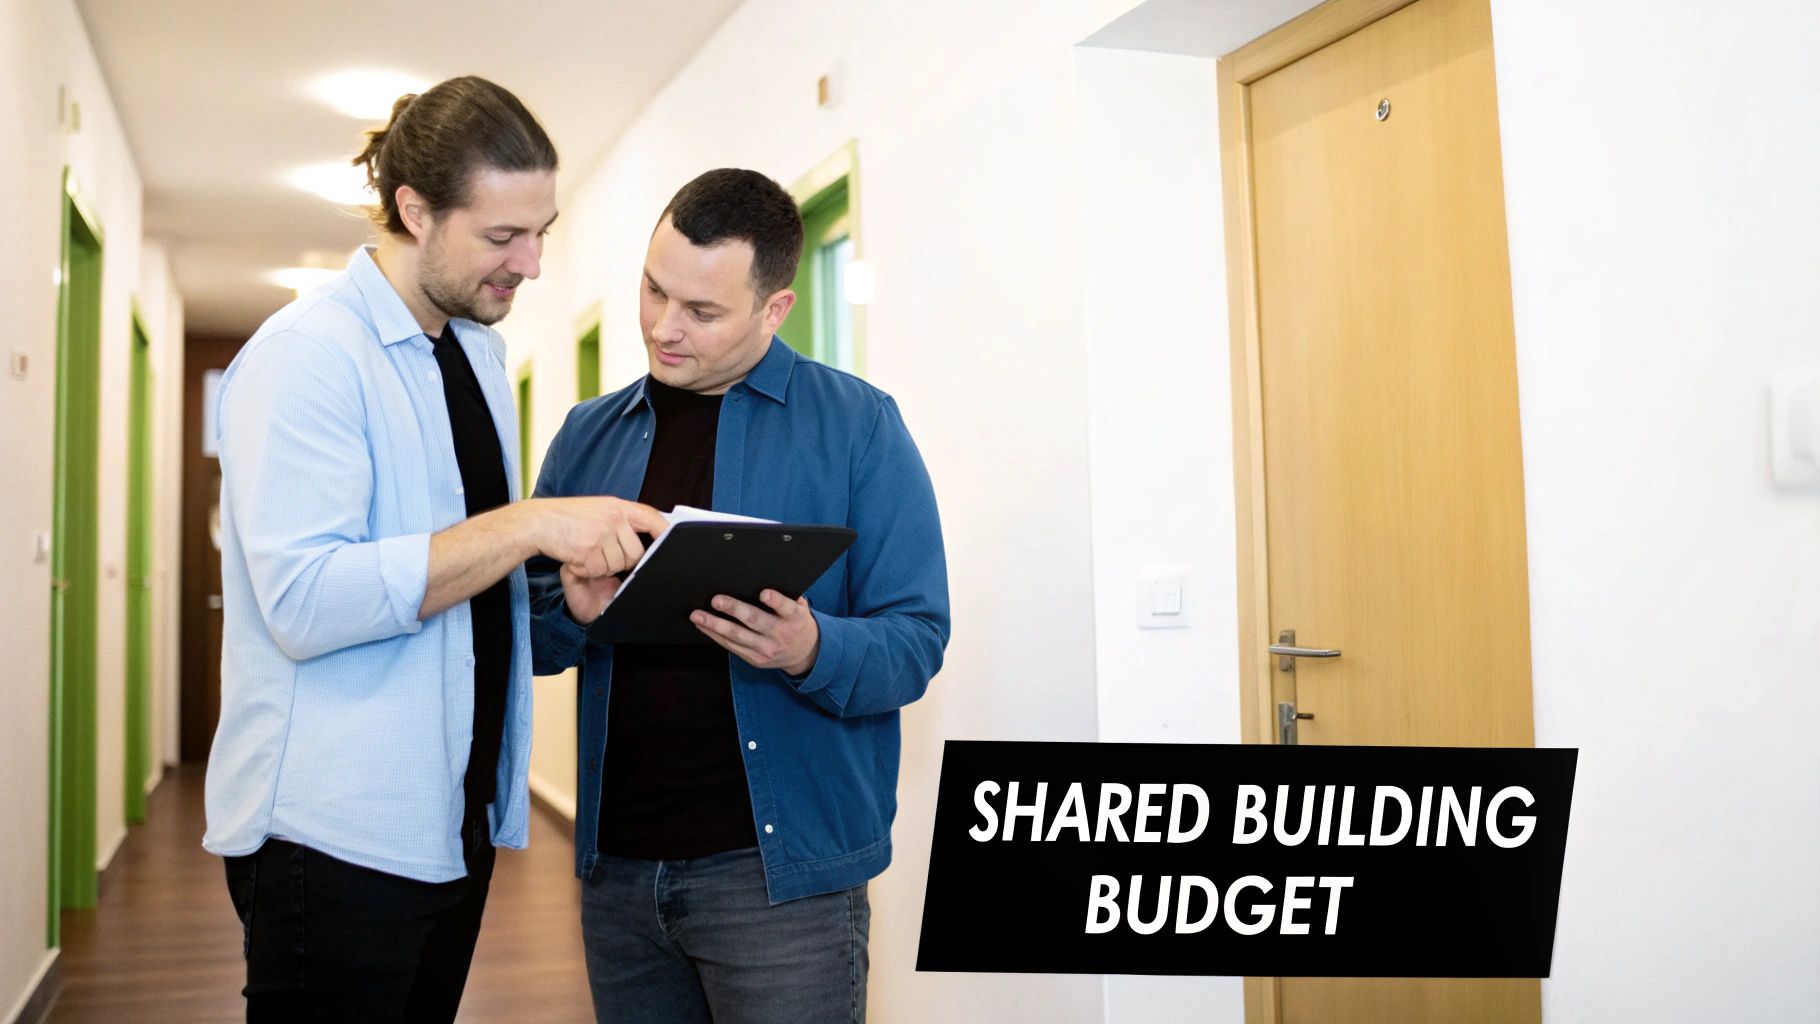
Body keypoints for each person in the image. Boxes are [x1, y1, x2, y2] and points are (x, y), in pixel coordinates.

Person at [202, 75, 666, 1021]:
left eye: (542, 230)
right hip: (331, 836)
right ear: (414, 211)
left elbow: (462, 579)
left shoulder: (475, 353)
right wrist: (530, 524)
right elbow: (304, 602)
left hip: (450, 818)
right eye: (502, 236)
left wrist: (558, 604)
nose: (531, 263)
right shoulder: (306, 357)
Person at [529, 168, 951, 1023]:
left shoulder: (859, 426)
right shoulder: (586, 436)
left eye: (702, 311)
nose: (663, 327)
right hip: (616, 872)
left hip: (781, 885)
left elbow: (916, 639)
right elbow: (525, 639)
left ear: (774, 309)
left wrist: (811, 648)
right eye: (654, 290)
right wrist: (572, 613)